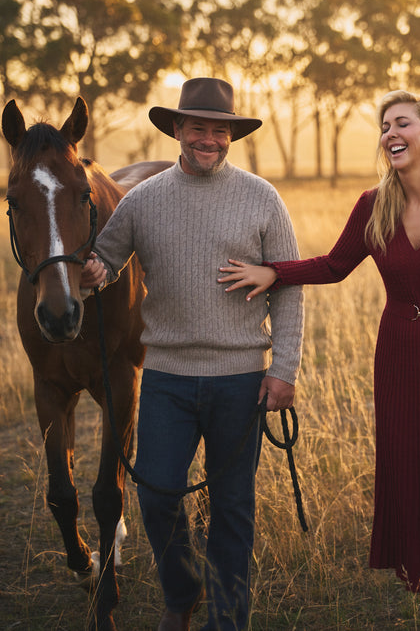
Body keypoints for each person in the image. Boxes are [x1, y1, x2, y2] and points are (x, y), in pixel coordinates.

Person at [218, 89, 420, 631]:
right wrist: (275, 272)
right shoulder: (372, 204)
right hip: (400, 358)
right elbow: (335, 265)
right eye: (384, 127)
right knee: (419, 480)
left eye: (401, 123)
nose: (390, 134)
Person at [80, 78, 304, 631]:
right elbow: (105, 261)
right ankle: (181, 595)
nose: (209, 139)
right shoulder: (143, 201)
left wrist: (284, 369)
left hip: (240, 381)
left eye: (219, 129)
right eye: (198, 128)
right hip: (166, 380)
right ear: (177, 130)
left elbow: (289, 288)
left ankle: (228, 620)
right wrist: (93, 273)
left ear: (231, 134)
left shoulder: (262, 198)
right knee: (155, 494)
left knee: (232, 508)